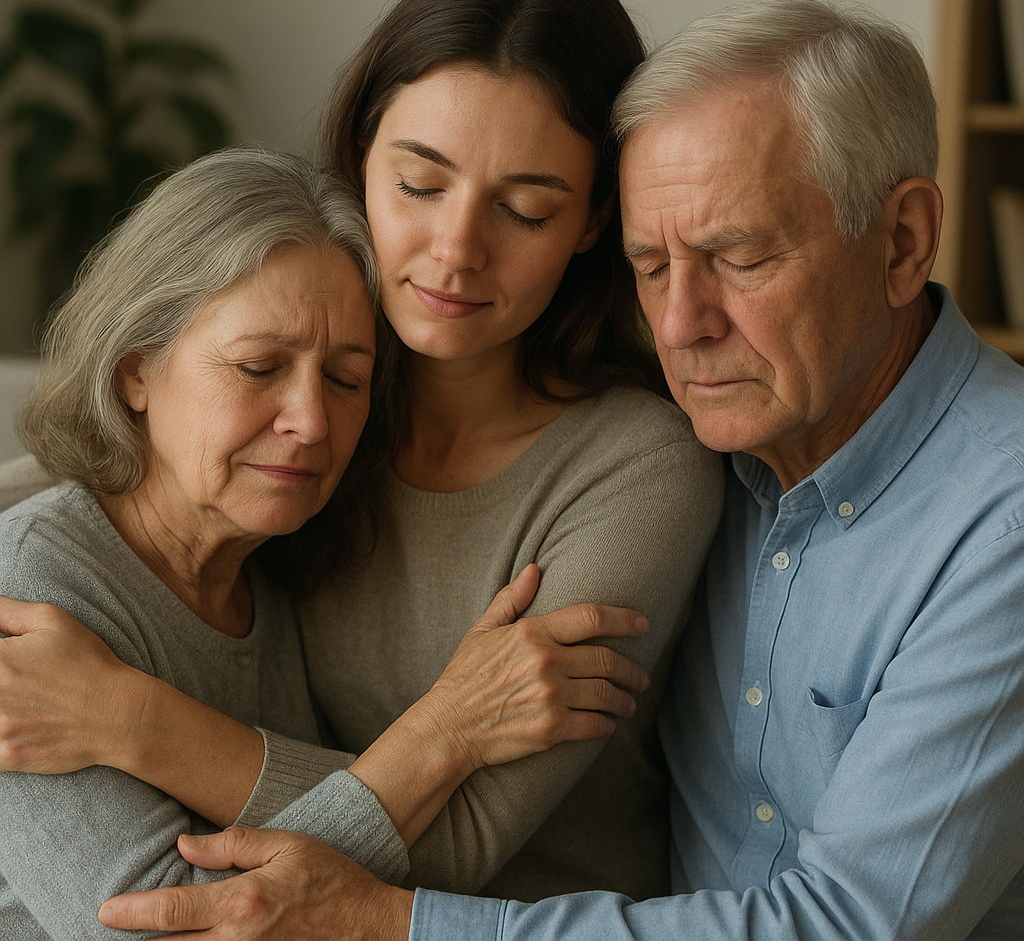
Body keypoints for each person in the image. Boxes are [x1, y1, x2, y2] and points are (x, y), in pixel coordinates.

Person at [90, 0, 1024, 941]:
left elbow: (845, 927)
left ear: (903, 241)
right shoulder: (739, 429)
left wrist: (377, 919)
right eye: (651, 266)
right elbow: (126, 464)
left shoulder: (993, 525)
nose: (680, 326)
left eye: (738, 257)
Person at [0, 0, 722, 906]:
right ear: (360, 161)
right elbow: (104, 498)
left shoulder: (637, 468)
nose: (456, 251)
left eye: (524, 209)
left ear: (593, 221)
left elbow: (461, 843)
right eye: (421, 185)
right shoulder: (316, 441)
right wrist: (446, 729)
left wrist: (134, 720)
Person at [0, 146, 656, 941]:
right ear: (136, 372)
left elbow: (319, 864)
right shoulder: (26, 597)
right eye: (257, 367)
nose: (311, 423)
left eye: (345, 381)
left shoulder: (273, 576)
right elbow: (164, 932)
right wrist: (443, 730)